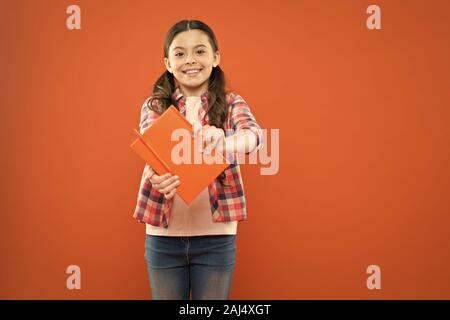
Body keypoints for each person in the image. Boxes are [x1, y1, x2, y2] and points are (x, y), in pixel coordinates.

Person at [133, 19, 263, 300]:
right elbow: (153, 150)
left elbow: (253, 136)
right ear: (167, 63)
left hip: (217, 237)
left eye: (200, 51)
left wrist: (225, 142)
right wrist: (158, 178)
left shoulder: (231, 104)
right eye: (179, 53)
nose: (190, 60)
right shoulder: (155, 106)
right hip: (163, 237)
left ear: (216, 57)